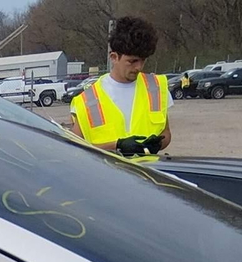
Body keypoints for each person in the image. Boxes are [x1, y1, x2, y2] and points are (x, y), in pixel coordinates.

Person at [70, 17, 172, 161]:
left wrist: (157, 144)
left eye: (143, 60)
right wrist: (117, 146)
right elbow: (74, 150)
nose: (139, 67)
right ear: (114, 57)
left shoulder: (156, 88)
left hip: (149, 178)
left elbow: (166, 134)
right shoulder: (87, 100)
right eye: (132, 61)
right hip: (106, 179)